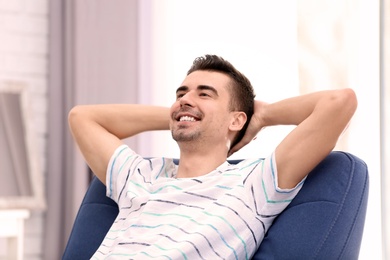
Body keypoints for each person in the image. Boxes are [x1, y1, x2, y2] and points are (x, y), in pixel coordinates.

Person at [68, 55, 357, 259]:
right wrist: (183, 114)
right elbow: (82, 117)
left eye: (205, 94)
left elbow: (339, 102)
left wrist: (263, 115)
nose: (185, 97)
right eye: (181, 92)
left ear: (237, 120)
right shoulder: (141, 175)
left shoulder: (254, 185)